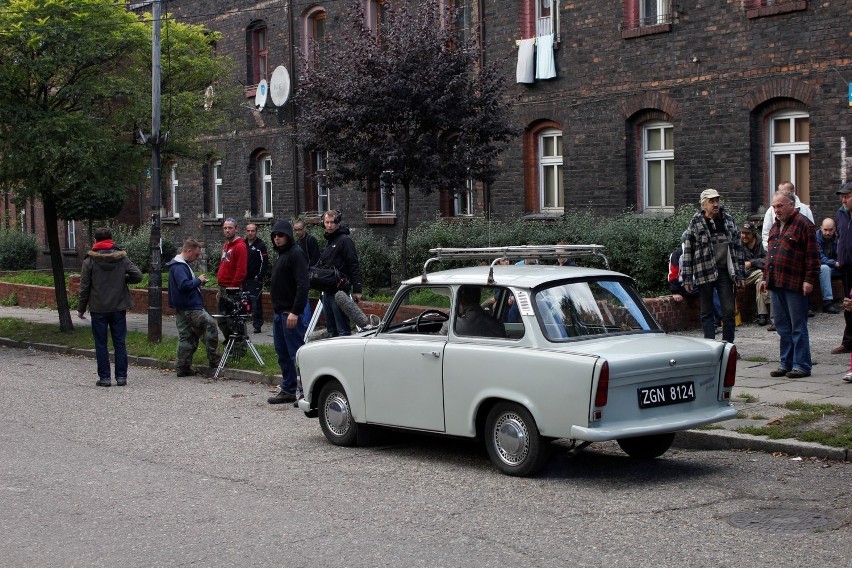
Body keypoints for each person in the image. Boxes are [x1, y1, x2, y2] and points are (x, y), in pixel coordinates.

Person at [759, 191, 820, 379]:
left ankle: (801, 365)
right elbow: (771, 255)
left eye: (780, 206)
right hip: (776, 282)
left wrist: (809, 280)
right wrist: (765, 277)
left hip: (795, 284)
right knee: (782, 326)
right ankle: (786, 363)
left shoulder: (804, 224)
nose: (776, 210)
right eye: (774, 206)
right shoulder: (775, 227)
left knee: (798, 326)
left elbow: (812, 257)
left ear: (791, 205)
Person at [77, 227, 143, 387]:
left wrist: (81, 308)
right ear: (111, 239)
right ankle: (121, 378)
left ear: (95, 241)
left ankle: (105, 378)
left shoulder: (89, 261)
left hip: (98, 307)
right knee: (119, 342)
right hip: (118, 306)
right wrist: (122, 280)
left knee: (101, 344)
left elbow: (84, 286)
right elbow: (138, 275)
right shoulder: (121, 258)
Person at [682, 188, 746, 343]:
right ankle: (710, 345)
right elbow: (688, 250)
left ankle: (728, 345)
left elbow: (738, 248)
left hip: (724, 271)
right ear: (703, 204)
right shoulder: (696, 222)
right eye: (711, 201)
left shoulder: (728, 220)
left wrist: (740, 274)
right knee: (706, 312)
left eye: (717, 200)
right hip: (704, 270)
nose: (715, 204)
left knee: (729, 310)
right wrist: (687, 278)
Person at [266, 220, 310, 405]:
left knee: (297, 354)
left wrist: (295, 311)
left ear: (288, 236)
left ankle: (305, 391)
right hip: (279, 313)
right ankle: (288, 389)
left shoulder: (296, 254)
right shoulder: (281, 255)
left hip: (289, 314)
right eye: (275, 235)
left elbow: (303, 284)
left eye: (281, 235)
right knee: (282, 353)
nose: (277, 238)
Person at [165, 239, 220, 377]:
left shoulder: (178, 265)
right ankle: (214, 360)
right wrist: (198, 281)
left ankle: (183, 367)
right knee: (211, 325)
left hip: (182, 307)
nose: (196, 258)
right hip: (191, 307)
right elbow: (184, 285)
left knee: (187, 337)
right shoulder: (179, 267)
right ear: (188, 250)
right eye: (196, 255)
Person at [317, 210, 363, 337]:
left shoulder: (344, 241)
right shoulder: (329, 241)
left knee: (342, 328)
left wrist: (357, 289)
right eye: (327, 222)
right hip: (327, 291)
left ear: (338, 223)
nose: (329, 225)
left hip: (339, 291)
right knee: (331, 328)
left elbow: (354, 265)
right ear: (323, 223)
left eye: (332, 222)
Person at [216, 217, 248, 341]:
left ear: (236, 229)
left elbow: (241, 271)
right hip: (222, 287)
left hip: (232, 288)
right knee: (221, 319)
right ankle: (230, 342)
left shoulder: (240, 247)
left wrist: (232, 288)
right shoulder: (226, 245)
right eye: (225, 228)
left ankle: (239, 346)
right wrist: (220, 289)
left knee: (234, 319)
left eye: (230, 228)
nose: (227, 230)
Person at [761, 181, 814, 250]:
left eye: (785, 192)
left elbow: (811, 239)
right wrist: (771, 250)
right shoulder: (771, 211)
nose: (776, 210)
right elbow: (766, 232)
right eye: (780, 191)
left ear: (792, 192)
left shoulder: (805, 210)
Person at [832, 181, 852, 354]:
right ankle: (848, 342)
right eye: (842, 197)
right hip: (846, 266)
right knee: (848, 304)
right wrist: (840, 257)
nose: (844, 200)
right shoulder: (840, 214)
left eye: (847, 196)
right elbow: (839, 237)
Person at [739, 222, 771, 326]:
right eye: (742, 233)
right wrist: (757, 264)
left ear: (753, 234)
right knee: (761, 275)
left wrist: (752, 263)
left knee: (761, 279)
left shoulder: (761, 243)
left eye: (747, 233)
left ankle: (762, 315)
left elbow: (767, 260)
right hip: (744, 276)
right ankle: (769, 311)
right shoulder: (738, 245)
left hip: (759, 274)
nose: (744, 236)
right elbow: (739, 265)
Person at [242, 223, 269, 333]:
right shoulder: (243, 244)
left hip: (255, 279)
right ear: (245, 232)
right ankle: (242, 325)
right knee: (243, 302)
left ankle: (257, 325)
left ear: (256, 232)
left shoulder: (260, 245)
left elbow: (265, 262)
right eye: (248, 230)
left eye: (252, 231)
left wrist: (259, 277)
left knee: (256, 303)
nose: (250, 233)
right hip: (243, 279)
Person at [815, 218, 840, 314]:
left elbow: (841, 253)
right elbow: (819, 257)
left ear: (834, 229)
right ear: (821, 228)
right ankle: (827, 302)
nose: (828, 232)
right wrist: (835, 263)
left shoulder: (838, 237)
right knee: (825, 268)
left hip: (834, 267)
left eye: (830, 230)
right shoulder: (815, 238)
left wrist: (840, 262)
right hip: (819, 267)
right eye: (825, 230)